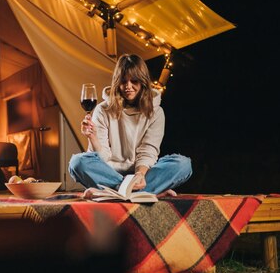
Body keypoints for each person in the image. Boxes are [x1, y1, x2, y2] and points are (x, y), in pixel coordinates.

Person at [68, 53, 192, 197]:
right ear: (117, 82)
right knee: (77, 162)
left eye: (134, 81)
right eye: (123, 81)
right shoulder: (103, 110)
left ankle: (111, 192)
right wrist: (93, 138)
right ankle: (146, 192)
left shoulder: (156, 112)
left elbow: (148, 151)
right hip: (109, 172)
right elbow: (102, 158)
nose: (128, 86)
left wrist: (139, 175)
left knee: (183, 164)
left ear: (143, 82)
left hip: (142, 174)